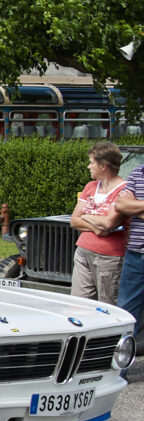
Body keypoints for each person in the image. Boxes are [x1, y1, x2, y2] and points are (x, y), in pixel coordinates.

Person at [70, 142, 130, 305]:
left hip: (109, 257)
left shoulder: (123, 190)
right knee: (79, 304)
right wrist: (95, 228)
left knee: (108, 304)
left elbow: (108, 222)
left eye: (92, 162)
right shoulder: (90, 186)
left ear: (103, 165)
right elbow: (74, 220)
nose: (89, 166)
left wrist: (86, 215)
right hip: (83, 251)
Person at [115, 161, 144, 345]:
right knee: (125, 316)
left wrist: (134, 205)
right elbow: (121, 205)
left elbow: (128, 206)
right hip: (134, 255)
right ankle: (119, 373)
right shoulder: (138, 172)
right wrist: (127, 204)